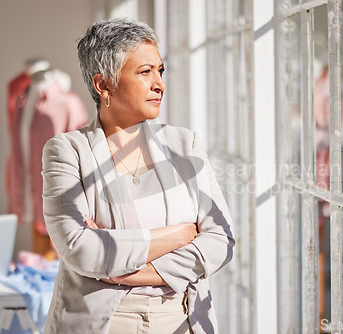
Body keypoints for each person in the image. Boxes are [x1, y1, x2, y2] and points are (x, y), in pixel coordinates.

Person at [42, 17, 235, 334]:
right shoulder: (67, 151)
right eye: (145, 72)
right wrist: (182, 234)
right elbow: (80, 248)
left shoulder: (185, 144)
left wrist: (124, 271)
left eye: (160, 70)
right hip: (104, 324)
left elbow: (221, 240)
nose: (159, 83)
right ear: (104, 85)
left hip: (184, 319)